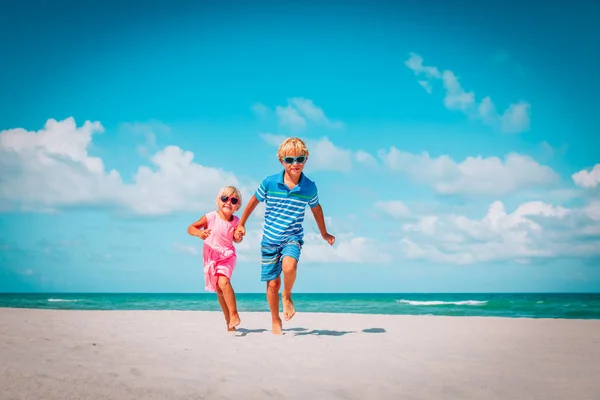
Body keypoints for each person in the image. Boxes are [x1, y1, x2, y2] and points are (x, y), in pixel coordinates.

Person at [235, 137, 335, 334]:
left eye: (300, 159)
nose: (295, 164)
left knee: (290, 266)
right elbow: (253, 202)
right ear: (282, 161)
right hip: (270, 240)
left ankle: (287, 295)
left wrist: (323, 232)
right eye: (289, 160)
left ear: (306, 159)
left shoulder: (309, 187)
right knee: (272, 284)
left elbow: (316, 209)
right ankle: (275, 319)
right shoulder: (270, 182)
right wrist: (241, 224)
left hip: (292, 237)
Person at [187, 186, 244, 331]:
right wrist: (200, 234)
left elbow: (237, 238)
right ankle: (229, 322)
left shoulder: (236, 221)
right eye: (224, 198)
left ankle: (234, 314)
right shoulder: (211, 217)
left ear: (237, 206)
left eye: (233, 200)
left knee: (224, 282)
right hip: (212, 256)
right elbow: (191, 228)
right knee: (219, 289)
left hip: (227, 256)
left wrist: (238, 236)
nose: (228, 202)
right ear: (218, 201)